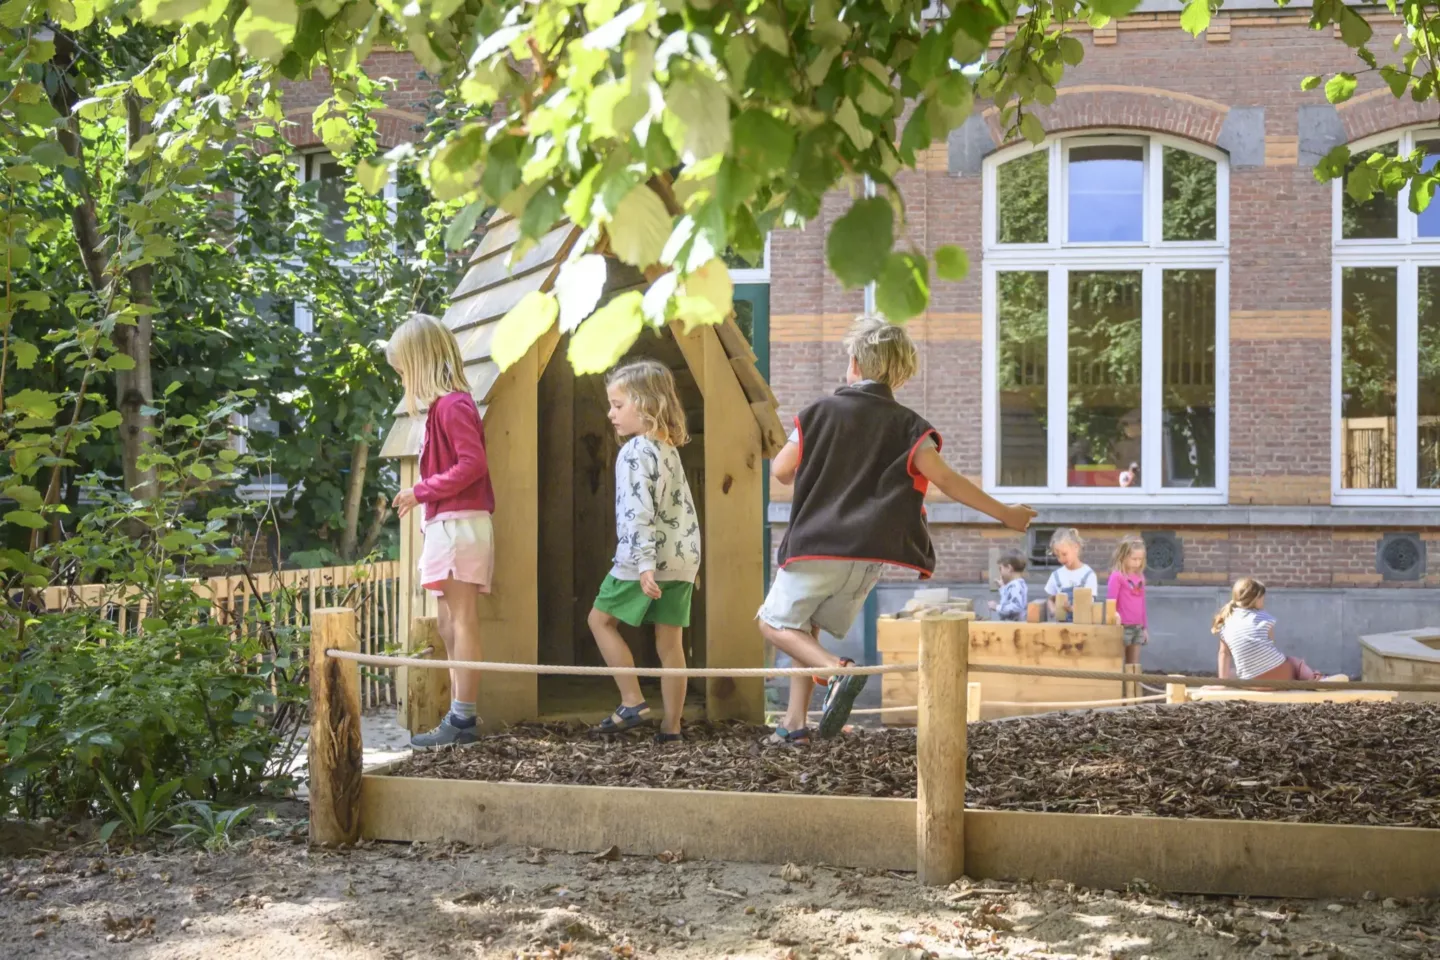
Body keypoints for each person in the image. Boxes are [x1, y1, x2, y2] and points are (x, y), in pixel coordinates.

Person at [761, 316, 1036, 745]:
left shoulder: (818, 413)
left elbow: (780, 471)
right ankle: (795, 723)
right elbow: (947, 481)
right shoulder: (910, 426)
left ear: (853, 363)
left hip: (816, 546)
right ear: (902, 374)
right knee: (805, 626)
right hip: (869, 558)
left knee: (773, 624)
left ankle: (836, 673)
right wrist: (1006, 514)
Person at [387, 313, 496, 749]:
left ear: (419, 363)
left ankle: (464, 720)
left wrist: (420, 490)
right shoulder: (442, 409)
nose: (402, 380)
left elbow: (472, 466)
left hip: (458, 526)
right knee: (449, 625)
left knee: (462, 620)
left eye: (402, 372)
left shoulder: (453, 405)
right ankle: (457, 715)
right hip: (446, 525)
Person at [587, 359, 700, 743]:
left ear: (647, 404)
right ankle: (672, 727)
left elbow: (639, 514)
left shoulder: (635, 451)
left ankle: (632, 700)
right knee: (671, 644)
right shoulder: (668, 449)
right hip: (682, 561)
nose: (610, 413)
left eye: (618, 405)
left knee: (599, 621)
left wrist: (645, 565)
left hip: (642, 560)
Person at [1211, 577, 1342, 684]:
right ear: (1256, 599)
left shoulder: (1226, 621)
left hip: (1251, 683)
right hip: (1278, 677)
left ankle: (1227, 682)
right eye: (1263, 598)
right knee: (1295, 663)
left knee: (1233, 673)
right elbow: (1270, 643)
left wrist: (1223, 683)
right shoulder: (1263, 617)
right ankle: (1316, 680)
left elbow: (1224, 654)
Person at [1106, 536, 1148, 666]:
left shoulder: (1140, 577)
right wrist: (1114, 616)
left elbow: (1142, 604)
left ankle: (1133, 686)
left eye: (1140, 559)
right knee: (1118, 663)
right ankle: (1120, 686)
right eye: (1134, 559)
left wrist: (1144, 627)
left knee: (1134, 664)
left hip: (1137, 627)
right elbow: (1110, 601)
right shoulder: (1117, 576)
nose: (1137, 563)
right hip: (1122, 626)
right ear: (1123, 556)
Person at [1045, 528, 1097, 622]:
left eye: (1064, 554)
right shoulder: (1056, 575)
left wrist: (1072, 609)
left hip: (1083, 627)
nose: (1061, 559)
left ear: (1076, 548)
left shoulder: (1088, 575)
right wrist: (1053, 611)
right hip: (1061, 628)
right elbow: (1050, 599)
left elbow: (1090, 603)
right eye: (1057, 556)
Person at [988, 554, 1029, 621]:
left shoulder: (1015, 586)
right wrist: (1003, 588)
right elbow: (1009, 600)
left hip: (1013, 628)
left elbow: (1016, 607)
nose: (1000, 573)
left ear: (1009, 568)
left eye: (1000, 568)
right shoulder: (1019, 584)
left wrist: (997, 607)